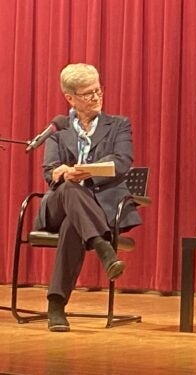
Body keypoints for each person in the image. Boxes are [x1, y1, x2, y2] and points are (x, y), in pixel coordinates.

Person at [34, 63, 142, 332]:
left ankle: (56, 305)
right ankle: (105, 250)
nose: (95, 97)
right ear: (70, 98)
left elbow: (122, 161)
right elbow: (49, 173)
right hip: (57, 207)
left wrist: (84, 172)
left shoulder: (118, 125)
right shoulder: (58, 131)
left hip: (99, 208)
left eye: (98, 91)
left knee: (75, 222)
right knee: (69, 190)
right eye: (87, 93)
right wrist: (62, 173)